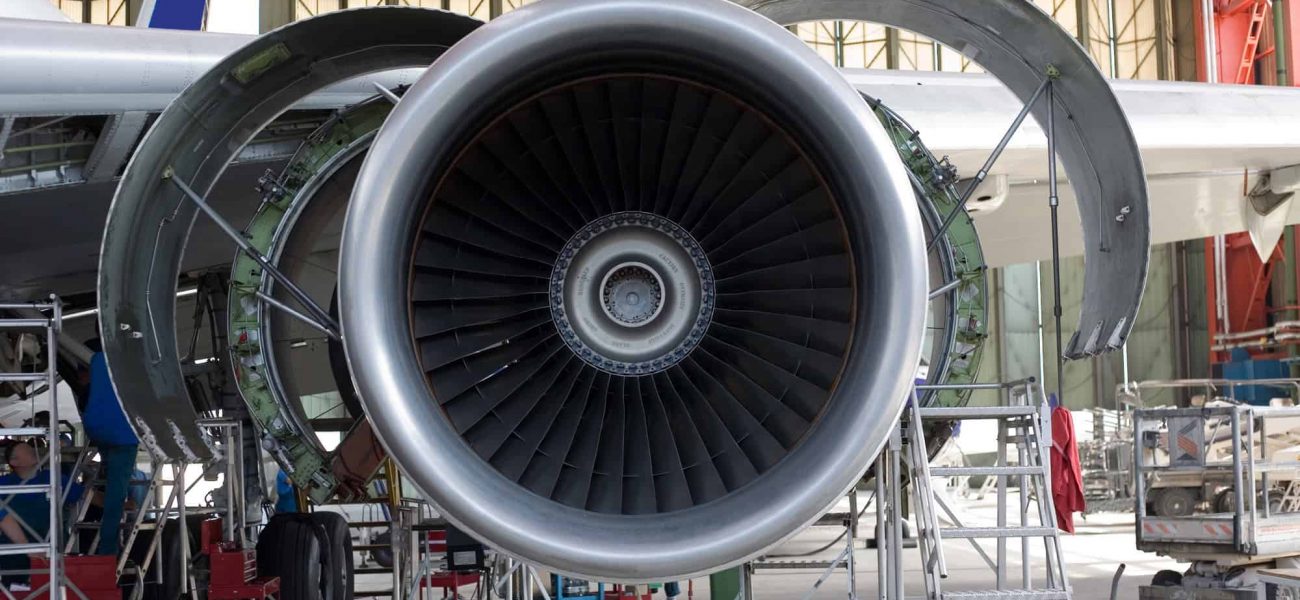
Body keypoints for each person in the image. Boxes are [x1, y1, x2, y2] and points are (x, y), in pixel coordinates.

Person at [82, 339, 139, 557]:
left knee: (114, 474)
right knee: (116, 495)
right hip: (122, 431)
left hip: (96, 426)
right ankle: (108, 551)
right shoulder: (133, 360)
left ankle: (108, 467)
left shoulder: (96, 359)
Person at [0, 442, 85, 585]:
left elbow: (85, 496)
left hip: (51, 550)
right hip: (14, 555)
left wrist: (116, 503)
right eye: (27, 450)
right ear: (14, 461)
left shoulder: (53, 478)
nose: (33, 451)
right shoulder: (3, 484)